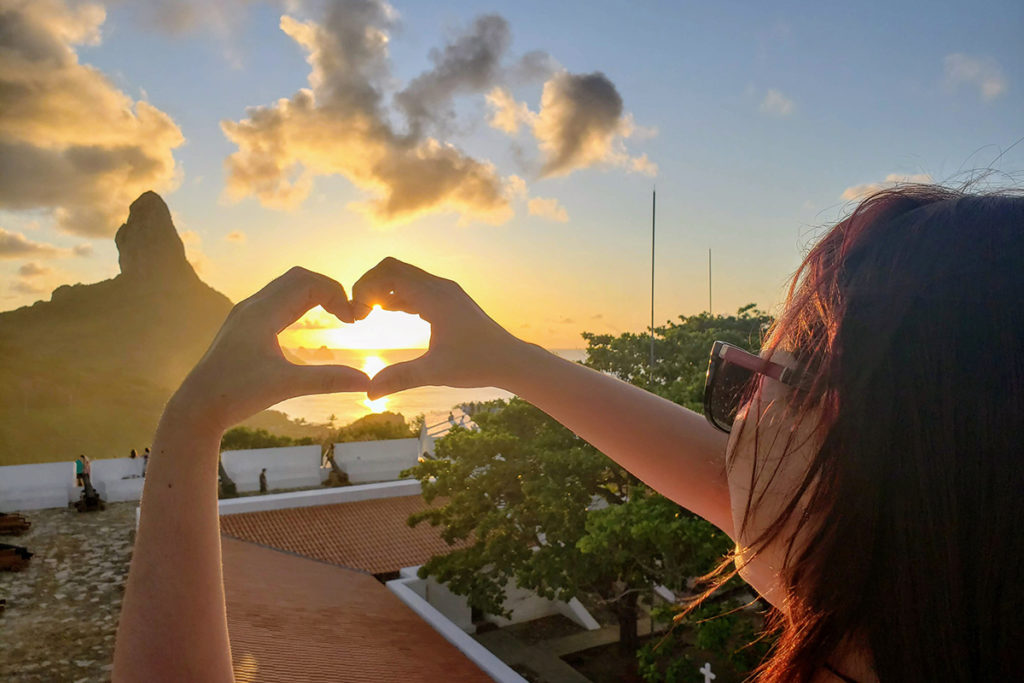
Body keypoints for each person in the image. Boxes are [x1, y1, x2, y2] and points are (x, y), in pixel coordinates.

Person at [113, 186, 1022, 682]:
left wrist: (191, 424)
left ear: (852, 449)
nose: (740, 407)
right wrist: (512, 358)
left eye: (765, 373)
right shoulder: (937, 600)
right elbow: (751, 487)